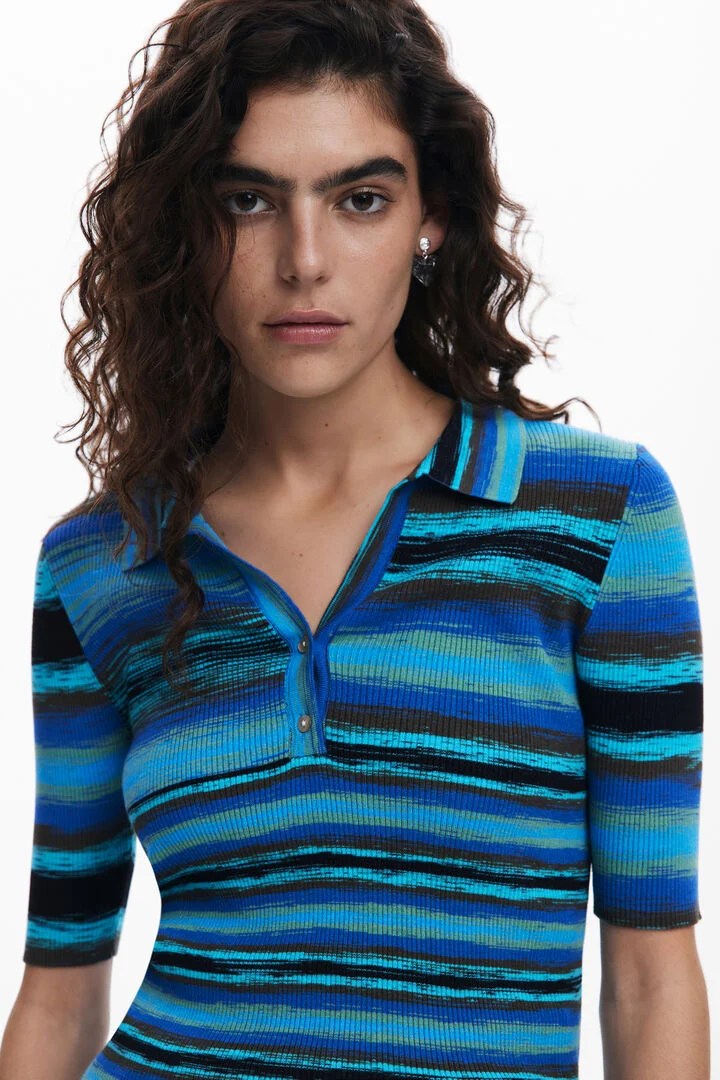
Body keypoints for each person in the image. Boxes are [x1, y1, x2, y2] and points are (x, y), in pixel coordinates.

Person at [0, 1, 709, 1078]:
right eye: (247, 200)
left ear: (433, 219)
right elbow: (59, 994)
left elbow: (652, 974)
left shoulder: (597, 517)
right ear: (186, 226)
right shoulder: (103, 563)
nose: (305, 260)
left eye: (360, 199)